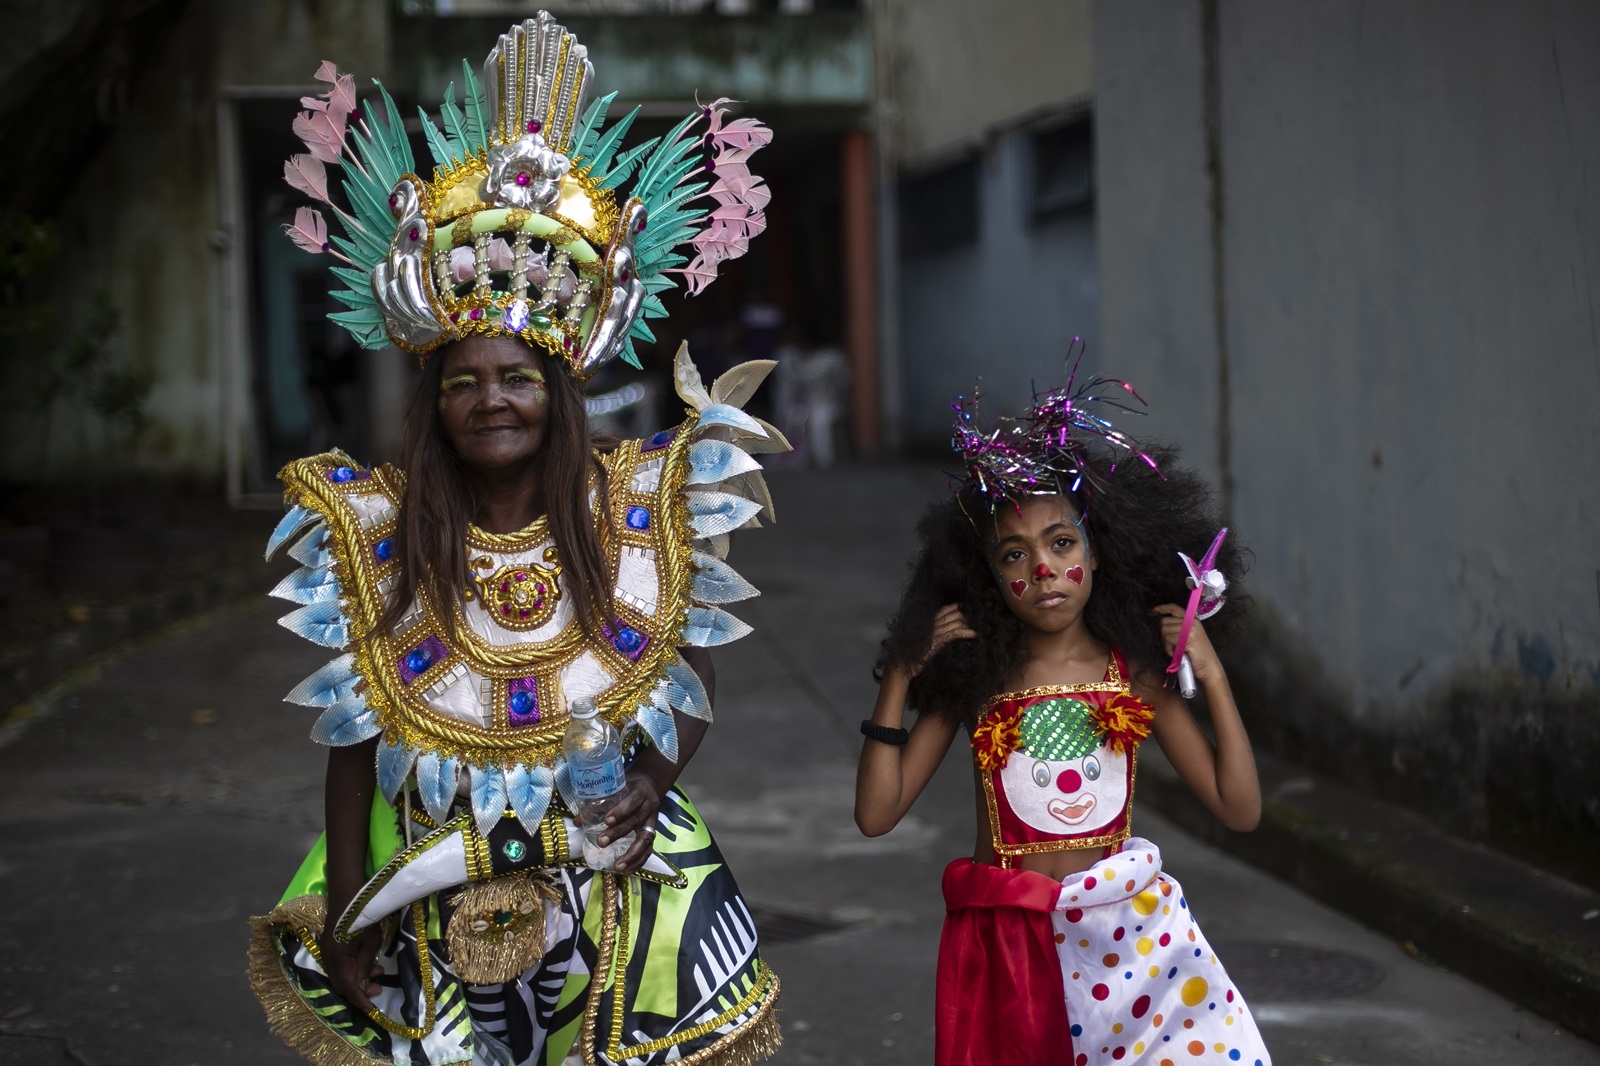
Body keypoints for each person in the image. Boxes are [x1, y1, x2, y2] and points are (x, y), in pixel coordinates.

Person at [248, 13, 783, 1065]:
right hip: (432, 870)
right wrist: (352, 896)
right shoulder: (375, 533)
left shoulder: (638, 506)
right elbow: (354, 741)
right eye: (465, 383)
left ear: (557, 392)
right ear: (436, 403)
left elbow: (697, 670)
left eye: (515, 378)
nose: (491, 401)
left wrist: (653, 786)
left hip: (615, 871)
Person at [854, 354, 1273, 1066]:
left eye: (1060, 543)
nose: (1042, 571)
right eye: (1013, 556)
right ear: (989, 575)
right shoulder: (976, 679)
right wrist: (898, 675)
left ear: (1097, 552)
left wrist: (1210, 672)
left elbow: (1240, 809)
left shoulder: (1133, 671)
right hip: (1008, 952)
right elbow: (876, 814)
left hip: (1126, 947)